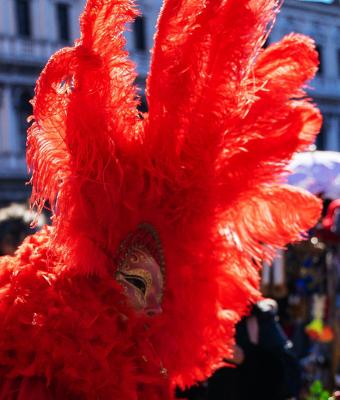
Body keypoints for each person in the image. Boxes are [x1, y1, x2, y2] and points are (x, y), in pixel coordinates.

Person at [0, 0, 322, 398]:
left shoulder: (156, 355)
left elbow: (283, 377)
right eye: (137, 282)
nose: (154, 309)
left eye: (164, 296)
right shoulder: (37, 335)